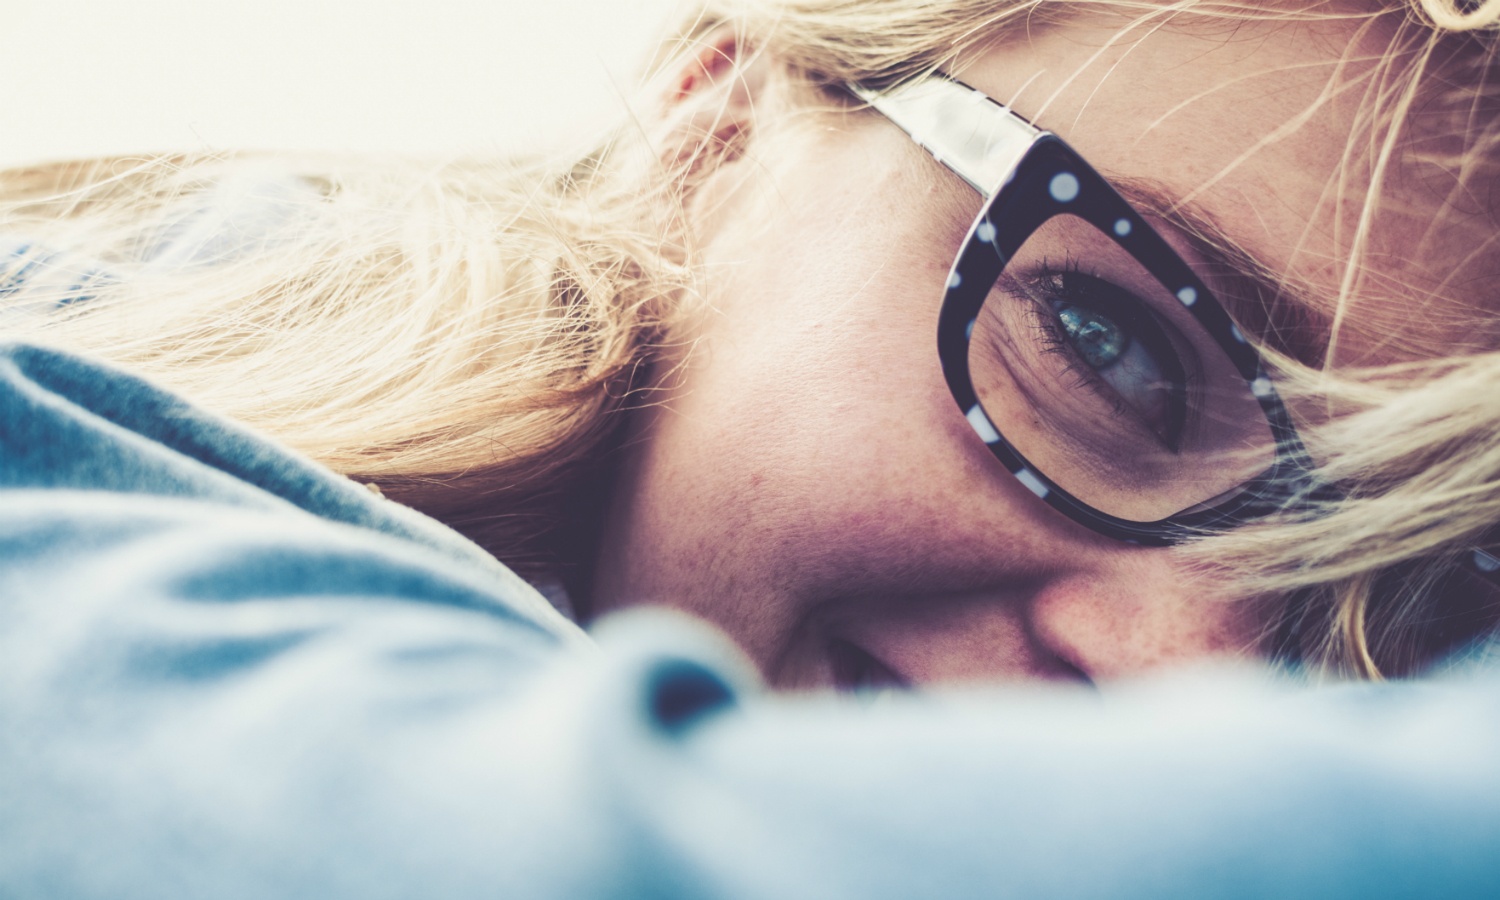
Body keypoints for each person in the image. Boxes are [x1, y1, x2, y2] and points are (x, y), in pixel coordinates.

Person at [3, 0, 1500, 895]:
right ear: (717, 119)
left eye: (1444, 596)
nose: (1187, 680)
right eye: (1109, 348)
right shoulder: (87, 428)